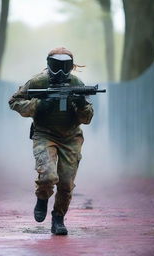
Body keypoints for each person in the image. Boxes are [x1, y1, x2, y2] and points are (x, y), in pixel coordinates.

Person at [9, 47, 94, 235]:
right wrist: (38, 105)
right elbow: (14, 102)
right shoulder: (38, 82)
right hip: (44, 134)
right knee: (47, 176)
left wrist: (81, 104)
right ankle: (42, 199)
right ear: (49, 64)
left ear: (71, 67)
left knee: (66, 183)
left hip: (71, 138)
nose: (61, 71)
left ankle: (58, 219)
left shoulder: (77, 83)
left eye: (65, 66)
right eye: (57, 65)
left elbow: (87, 118)